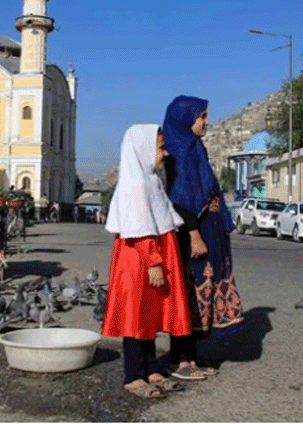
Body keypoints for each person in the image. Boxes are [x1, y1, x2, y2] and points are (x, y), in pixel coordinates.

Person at [101, 124, 193, 398]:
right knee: (136, 316)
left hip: (153, 253)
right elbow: (138, 225)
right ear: (142, 149)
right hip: (141, 256)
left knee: (149, 314)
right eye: (160, 148)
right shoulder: (136, 183)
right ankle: (133, 375)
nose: (165, 154)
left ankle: (151, 369)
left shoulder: (150, 179)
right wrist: (153, 260)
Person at [162, 95, 244, 381]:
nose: (207, 122)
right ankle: (180, 361)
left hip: (209, 228)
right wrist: (195, 234)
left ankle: (190, 356)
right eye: (202, 117)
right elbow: (181, 201)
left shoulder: (195, 147)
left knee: (199, 292)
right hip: (192, 231)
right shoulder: (180, 150)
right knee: (189, 292)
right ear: (186, 119)